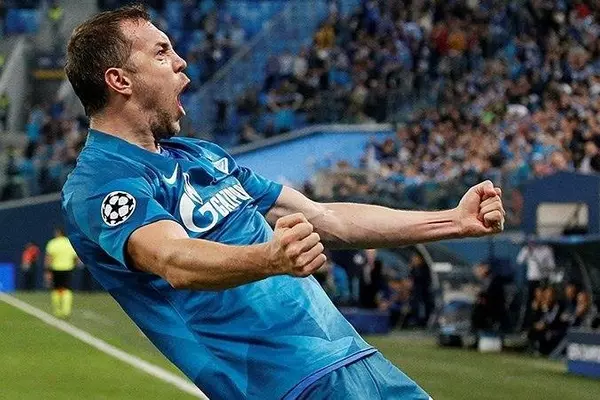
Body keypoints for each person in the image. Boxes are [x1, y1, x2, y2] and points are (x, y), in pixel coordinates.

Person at [61, 6, 506, 399]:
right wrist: (271, 258)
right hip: (283, 385)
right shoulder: (101, 182)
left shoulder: (201, 156)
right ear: (119, 80)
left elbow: (326, 218)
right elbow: (174, 259)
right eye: (161, 53)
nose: (181, 63)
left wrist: (452, 221)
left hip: (354, 359)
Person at [45, 227, 79, 318]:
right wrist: (75, 265)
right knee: (67, 289)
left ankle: (57, 310)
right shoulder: (69, 243)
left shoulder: (53, 243)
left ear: (58, 233)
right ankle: (66, 310)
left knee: (56, 289)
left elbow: (49, 257)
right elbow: (75, 257)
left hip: (56, 268)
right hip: (68, 268)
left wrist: (47, 270)